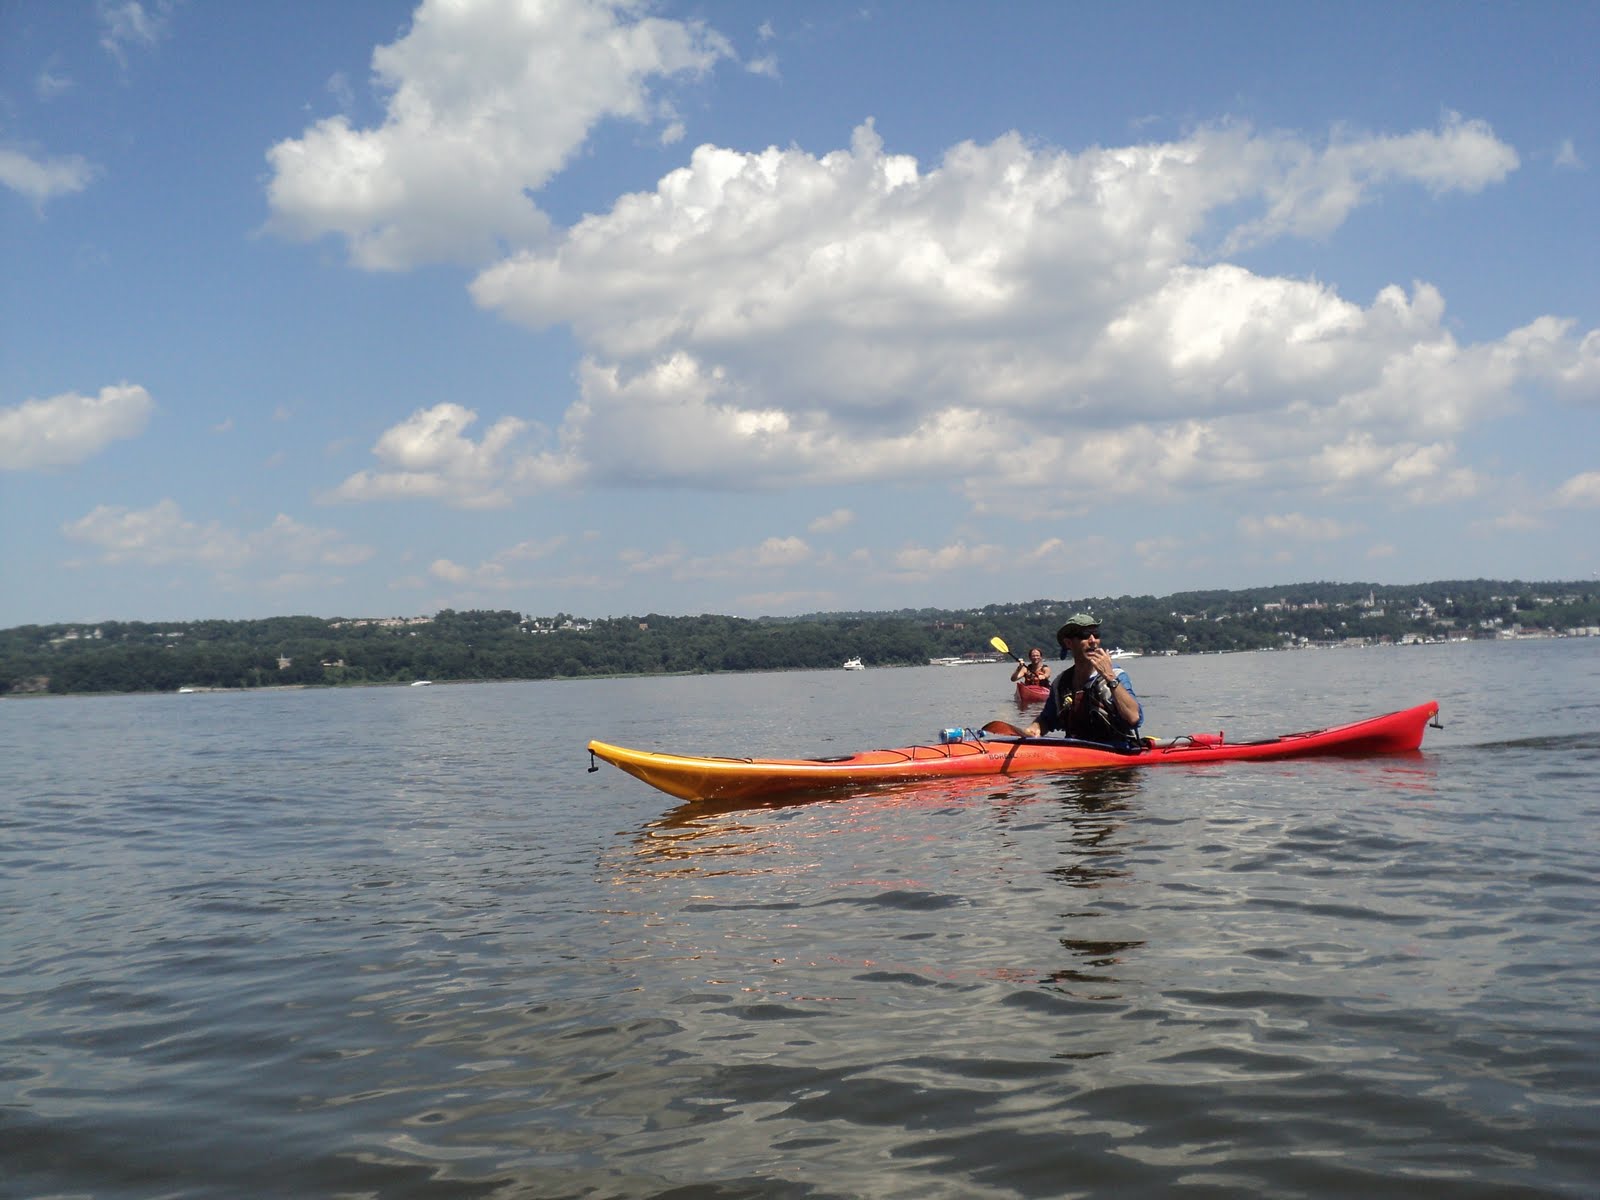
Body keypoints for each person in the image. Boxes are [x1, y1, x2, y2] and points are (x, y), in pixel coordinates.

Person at [1024, 612, 1142, 744]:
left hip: (1116, 752)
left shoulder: (1116, 675)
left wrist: (1109, 677)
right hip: (1077, 753)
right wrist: (1035, 728)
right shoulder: (1060, 684)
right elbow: (1047, 719)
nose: (1093, 641)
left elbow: (1134, 718)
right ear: (1069, 643)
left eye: (1096, 635)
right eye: (1084, 635)